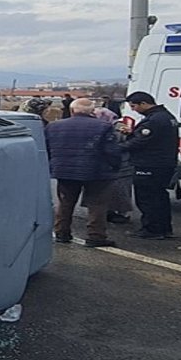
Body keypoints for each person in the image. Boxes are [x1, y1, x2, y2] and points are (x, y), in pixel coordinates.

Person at [46, 97, 122, 247]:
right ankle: (96, 236)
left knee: (65, 203)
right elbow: (112, 151)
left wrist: (53, 165)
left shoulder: (54, 126)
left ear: (71, 110)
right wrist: (115, 167)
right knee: (97, 205)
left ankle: (61, 232)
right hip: (97, 171)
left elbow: (47, 148)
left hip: (65, 170)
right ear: (92, 111)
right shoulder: (104, 126)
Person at [119, 91, 181, 240]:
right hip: (163, 163)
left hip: (149, 164)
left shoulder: (154, 120)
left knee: (147, 198)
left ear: (144, 103)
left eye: (134, 106)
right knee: (160, 197)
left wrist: (117, 147)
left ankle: (152, 229)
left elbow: (140, 142)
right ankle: (164, 228)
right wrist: (132, 133)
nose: (133, 110)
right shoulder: (166, 116)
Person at [94, 107, 134, 225]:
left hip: (119, 163)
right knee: (120, 190)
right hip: (123, 163)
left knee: (117, 190)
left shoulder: (118, 128)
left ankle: (115, 213)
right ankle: (117, 213)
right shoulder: (121, 127)